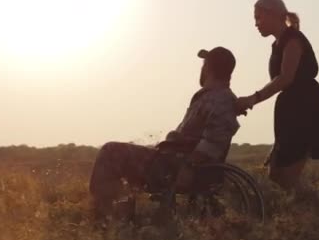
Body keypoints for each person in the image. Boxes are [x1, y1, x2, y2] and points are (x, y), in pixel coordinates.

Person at [89, 46, 240, 220]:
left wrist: (187, 167)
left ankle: (106, 217)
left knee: (110, 152)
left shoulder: (220, 100)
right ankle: (121, 214)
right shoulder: (214, 97)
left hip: (175, 167)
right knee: (126, 155)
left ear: (208, 68)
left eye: (204, 65)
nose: (202, 69)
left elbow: (212, 144)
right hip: (172, 161)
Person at [236, 0, 319, 192]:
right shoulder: (279, 43)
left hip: (305, 107)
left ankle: (318, 212)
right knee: (276, 174)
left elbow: (285, 78)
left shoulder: (293, 39)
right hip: (291, 108)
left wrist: (253, 99)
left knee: (287, 175)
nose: (256, 23)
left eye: (259, 17)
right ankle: (312, 212)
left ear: (274, 15)